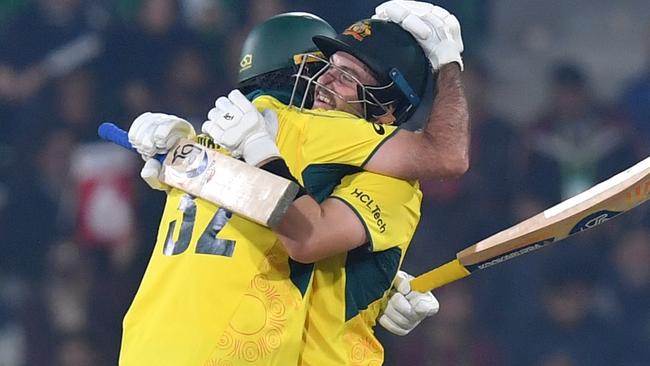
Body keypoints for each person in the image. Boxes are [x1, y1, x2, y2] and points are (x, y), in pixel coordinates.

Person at [123, 3, 466, 365]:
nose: (323, 81)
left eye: (347, 76)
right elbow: (304, 233)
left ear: (386, 111)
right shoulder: (292, 137)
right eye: (326, 68)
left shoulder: (223, 138)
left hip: (145, 345)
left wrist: (180, 156)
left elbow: (302, 232)